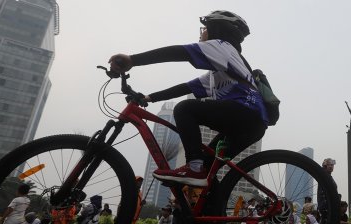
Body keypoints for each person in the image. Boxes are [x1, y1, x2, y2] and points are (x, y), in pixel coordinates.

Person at [108, 10, 267, 188]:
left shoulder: (222, 46)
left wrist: (133, 60)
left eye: (205, 28)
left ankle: (194, 167)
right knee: (207, 171)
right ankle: (211, 206)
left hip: (246, 113)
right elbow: (186, 87)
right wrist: (149, 97)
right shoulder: (220, 70)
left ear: (217, 28)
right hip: (253, 124)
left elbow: (180, 52)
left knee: (185, 109)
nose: (202, 32)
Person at [318, 158, 341, 224]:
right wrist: (326, 206)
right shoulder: (324, 175)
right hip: (326, 206)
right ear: (325, 166)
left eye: (332, 165)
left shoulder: (329, 177)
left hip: (330, 206)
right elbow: (323, 193)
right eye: (329, 165)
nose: (331, 166)